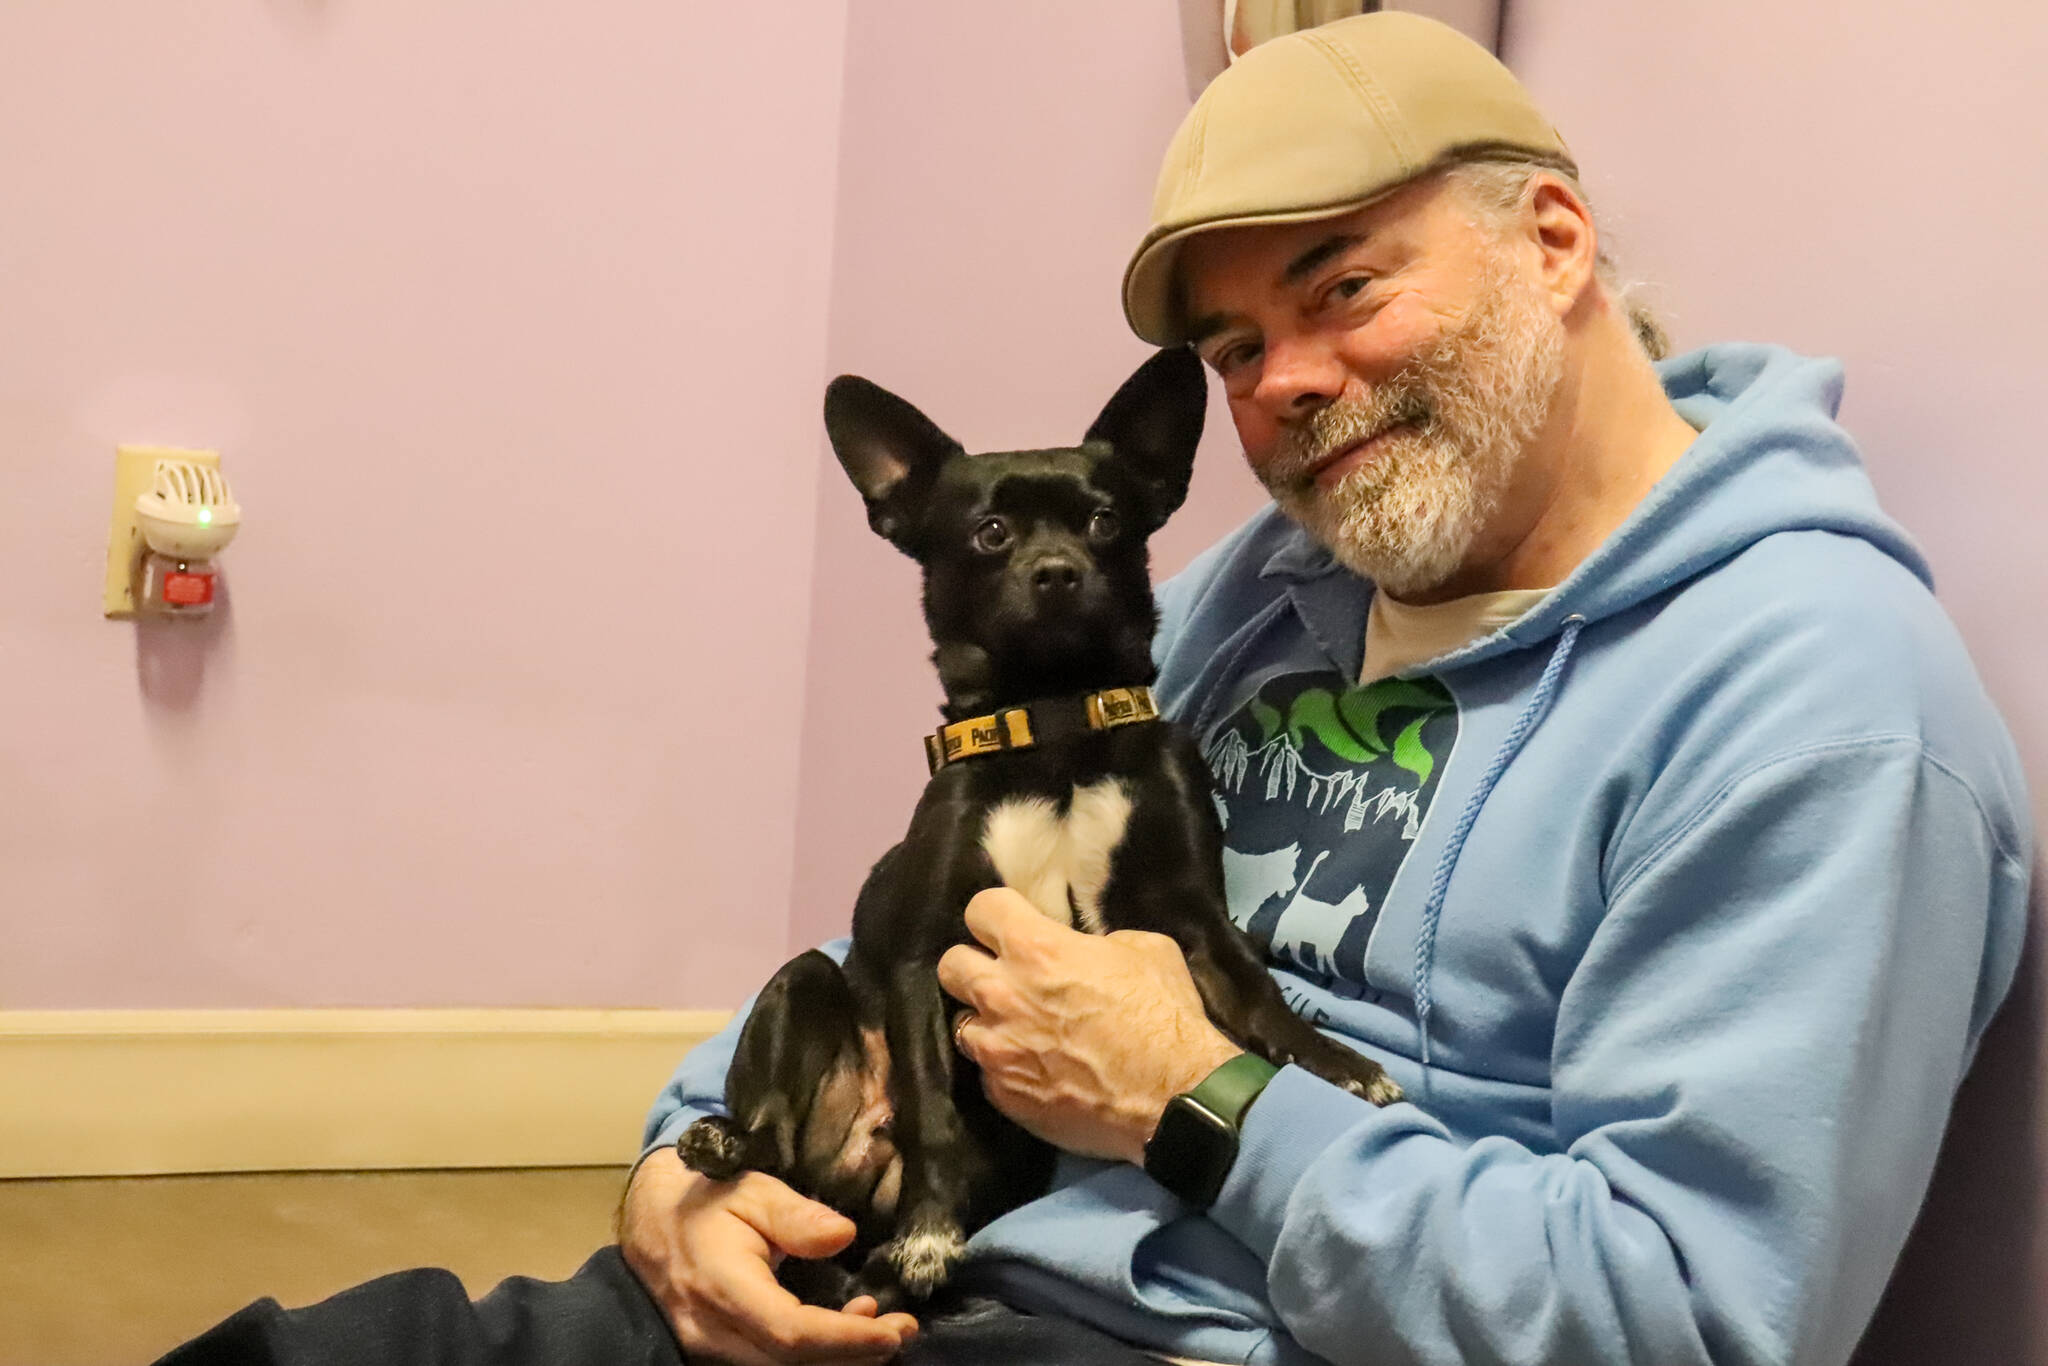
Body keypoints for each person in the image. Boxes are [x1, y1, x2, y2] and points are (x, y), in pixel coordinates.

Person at [618, 12, 2032, 1366]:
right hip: (941, 1262)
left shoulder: (1821, 710)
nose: (1282, 381)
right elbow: (926, 898)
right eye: (1235, 349)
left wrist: (1196, 1097)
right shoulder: (1272, 585)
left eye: (1343, 287)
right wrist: (685, 1168)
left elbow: (1687, 1320)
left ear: (1553, 241)